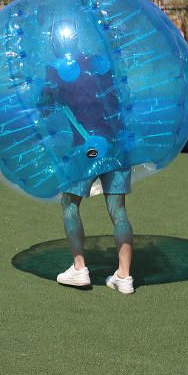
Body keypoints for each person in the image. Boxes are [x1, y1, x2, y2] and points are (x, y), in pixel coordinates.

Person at [40, 50, 136, 294]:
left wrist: (45, 95)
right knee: (118, 210)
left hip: (89, 150)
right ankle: (124, 276)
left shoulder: (57, 68)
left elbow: (44, 109)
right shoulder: (101, 62)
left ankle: (79, 268)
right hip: (116, 145)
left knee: (70, 203)